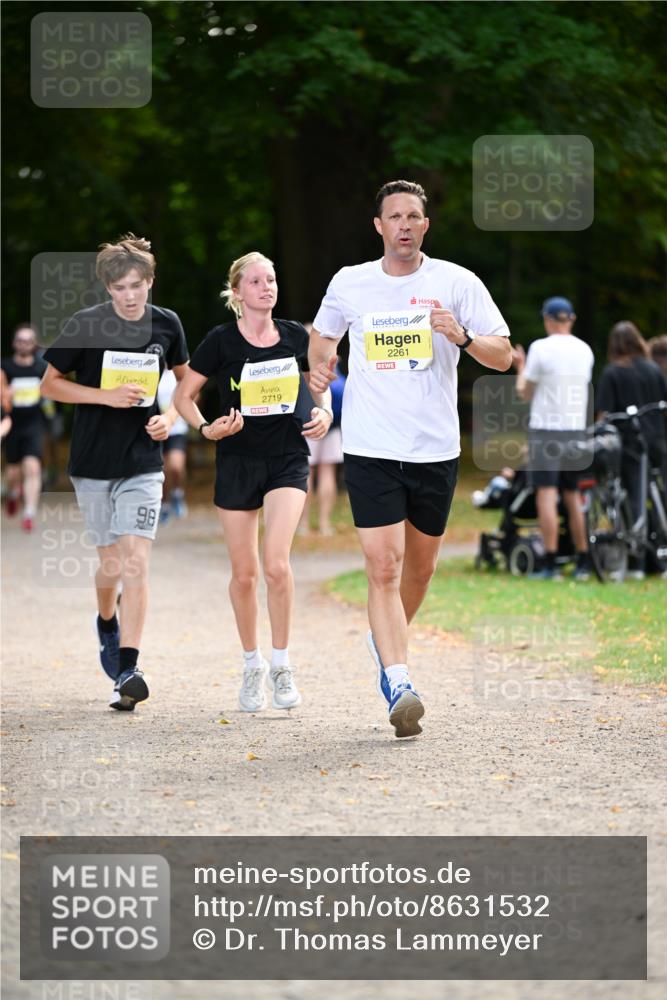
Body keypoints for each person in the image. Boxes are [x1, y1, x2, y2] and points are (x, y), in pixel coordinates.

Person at [308, 179, 511, 739]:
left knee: (419, 570)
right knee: (385, 566)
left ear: (425, 225)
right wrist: (319, 370)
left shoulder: (456, 282)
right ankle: (399, 680)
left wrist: (463, 335)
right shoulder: (352, 283)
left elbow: (503, 355)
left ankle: (386, 650)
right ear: (378, 226)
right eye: (393, 216)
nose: (403, 224)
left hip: (435, 450)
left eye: (413, 216)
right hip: (371, 446)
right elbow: (322, 341)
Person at [174, 252, 332, 714]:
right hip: (238, 460)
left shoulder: (295, 336)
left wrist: (324, 411)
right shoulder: (220, 341)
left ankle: (282, 664)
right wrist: (206, 428)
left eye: (272, 279)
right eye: (257, 281)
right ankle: (252, 665)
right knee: (243, 575)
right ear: (238, 292)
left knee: (276, 565)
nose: (268, 287)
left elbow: (317, 383)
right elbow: (185, 395)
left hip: (287, 458)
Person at [41, 234, 189, 710]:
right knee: (110, 565)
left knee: (136, 562)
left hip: (143, 462)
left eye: (137, 285)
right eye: (120, 287)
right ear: (108, 288)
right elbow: (51, 385)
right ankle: (107, 621)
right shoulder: (86, 325)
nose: (129, 295)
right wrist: (104, 396)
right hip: (92, 463)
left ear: (150, 282)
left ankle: (128, 666)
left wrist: (170, 418)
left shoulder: (167, 324)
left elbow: (188, 385)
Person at [512, 297, 594, 581]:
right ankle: (583, 562)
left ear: (547, 319)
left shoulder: (540, 348)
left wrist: (520, 367)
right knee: (573, 497)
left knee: (546, 495)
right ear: (571, 319)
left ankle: (550, 562)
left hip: (546, 430)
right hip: (575, 430)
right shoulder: (585, 350)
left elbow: (525, 392)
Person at [596, 321, 667, 577]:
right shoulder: (653, 369)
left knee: (634, 499)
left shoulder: (613, 372)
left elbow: (604, 415)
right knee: (659, 494)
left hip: (629, 444)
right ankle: (660, 558)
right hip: (658, 439)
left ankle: (636, 560)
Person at [1, 324, 48, 530]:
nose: (24, 344)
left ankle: (29, 513)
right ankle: (13, 492)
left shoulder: (41, 368)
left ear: (34, 344)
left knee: (32, 466)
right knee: (13, 472)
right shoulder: (5, 367)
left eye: (28, 341)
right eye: (20, 340)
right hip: (11, 424)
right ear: (14, 343)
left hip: (34, 424)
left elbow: (51, 392)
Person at [299, 340, 346, 537]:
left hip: (309, 425)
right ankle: (325, 524)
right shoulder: (333, 363)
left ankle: (303, 525)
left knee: (306, 475)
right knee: (328, 473)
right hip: (332, 425)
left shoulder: (302, 364)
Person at [156, 367, 190, 521]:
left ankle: (177, 493)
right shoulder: (152, 371)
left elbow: (193, 393)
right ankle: (164, 504)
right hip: (157, 428)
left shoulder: (177, 372)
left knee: (176, 466)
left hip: (176, 428)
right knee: (161, 471)